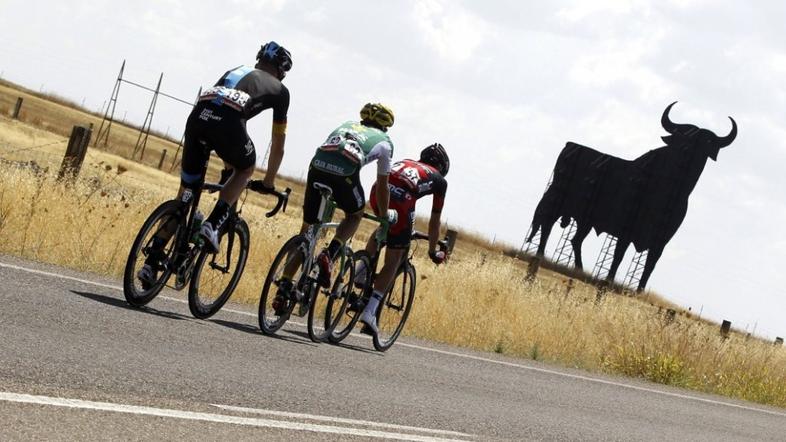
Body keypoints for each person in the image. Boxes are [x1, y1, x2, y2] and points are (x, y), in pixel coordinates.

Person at [138, 41, 292, 285]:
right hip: (228, 123)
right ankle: (211, 224)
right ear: (281, 71)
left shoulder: (235, 70)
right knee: (246, 168)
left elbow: (219, 111)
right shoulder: (281, 92)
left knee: (186, 194)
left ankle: (151, 262)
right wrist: (269, 181)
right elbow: (278, 143)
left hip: (199, 117)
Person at [274, 103, 396, 312]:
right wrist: (384, 215)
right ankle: (329, 254)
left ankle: (284, 284)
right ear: (386, 126)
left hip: (316, 168)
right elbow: (382, 185)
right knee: (354, 215)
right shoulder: (385, 142)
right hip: (345, 174)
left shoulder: (347, 124)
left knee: (308, 229)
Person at [356, 143, 450, 335]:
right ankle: (370, 311)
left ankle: (361, 270)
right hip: (403, 201)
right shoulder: (439, 180)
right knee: (395, 257)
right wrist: (432, 251)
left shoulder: (406, 161)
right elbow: (434, 221)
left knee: (384, 225)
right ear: (442, 167)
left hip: (378, 192)